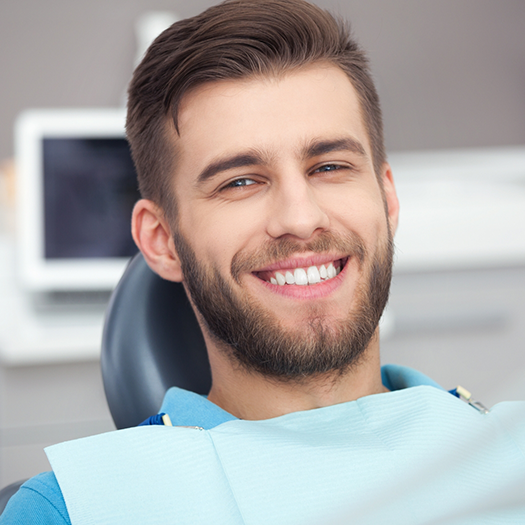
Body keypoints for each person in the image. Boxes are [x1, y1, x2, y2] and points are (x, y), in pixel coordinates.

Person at [2, 0, 525, 523]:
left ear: (387, 199)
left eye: (329, 166)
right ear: (161, 240)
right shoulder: (77, 508)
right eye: (241, 181)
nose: (300, 218)